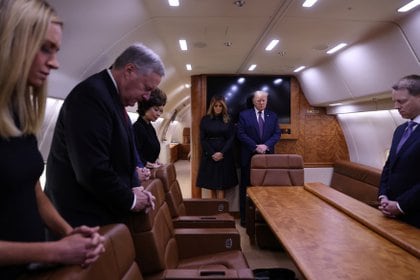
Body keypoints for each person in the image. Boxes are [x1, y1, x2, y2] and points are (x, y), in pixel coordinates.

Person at [0, 0, 105, 278]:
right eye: (45, 48)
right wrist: (55, 251)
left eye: (56, 51)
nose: (55, 63)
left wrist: (70, 233)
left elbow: (33, 190)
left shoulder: (16, 114)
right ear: (11, 42)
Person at [45, 43, 165, 228]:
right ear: (129, 70)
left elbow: (126, 153)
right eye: (146, 88)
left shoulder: (115, 100)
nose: (147, 97)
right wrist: (131, 200)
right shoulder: (91, 97)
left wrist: (135, 186)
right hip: (80, 220)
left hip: (101, 213)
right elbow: (93, 170)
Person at [378, 74, 420, 228]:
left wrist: (400, 205)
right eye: (394, 101)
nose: (396, 106)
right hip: (392, 213)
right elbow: (389, 166)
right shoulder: (400, 130)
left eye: (401, 101)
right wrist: (383, 196)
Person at [237, 91, 281, 226]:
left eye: (264, 101)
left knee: (266, 189)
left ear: (267, 101)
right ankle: (245, 220)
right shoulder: (244, 115)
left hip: (267, 158)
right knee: (246, 188)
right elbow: (240, 133)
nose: (261, 103)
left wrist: (266, 145)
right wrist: (255, 147)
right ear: (253, 101)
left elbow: (277, 133)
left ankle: (265, 220)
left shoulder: (272, 116)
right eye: (259, 101)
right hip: (248, 157)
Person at [196, 96, 238, 199]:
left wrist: (221, 153)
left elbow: (231, 138)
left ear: (224, 107)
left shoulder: (228, 119)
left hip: (225, 156)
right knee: (212, 185)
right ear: (212, 106)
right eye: (216, 106)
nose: (218, 108)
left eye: (220, 106)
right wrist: (212, 153)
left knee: (222, 186)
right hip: (210, 156)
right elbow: (203, 139)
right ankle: (214, 211)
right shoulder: (205, 120)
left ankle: (222, 212)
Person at [133, 88, 167, 169]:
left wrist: (155, 161)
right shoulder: (137, 127)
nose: (159, 114)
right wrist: (145, 163)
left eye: (161, 111)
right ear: (145, 107)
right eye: (156, 110)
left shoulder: (150, 127)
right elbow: (134, 154)